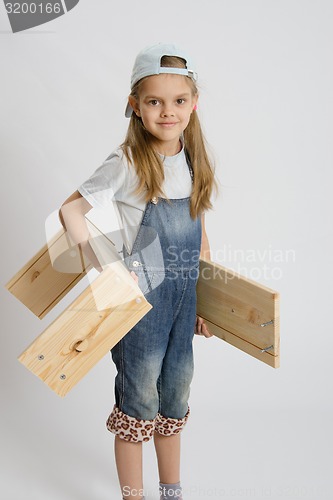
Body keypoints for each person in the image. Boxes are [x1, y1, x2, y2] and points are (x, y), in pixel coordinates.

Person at [59, 42, 218, 500]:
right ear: (135, 105)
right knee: (140, 401)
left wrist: (203, 302)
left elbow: (200, 235)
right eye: (154, 101)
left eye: (178, 101)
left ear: (193, 103)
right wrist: (107, 271)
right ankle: (135, 497)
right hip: (140, 302)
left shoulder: (192, 160)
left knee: (175, 396)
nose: (167, 112)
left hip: (183, 301)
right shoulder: (127, 162)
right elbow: (71, 211)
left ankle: (171, 490)